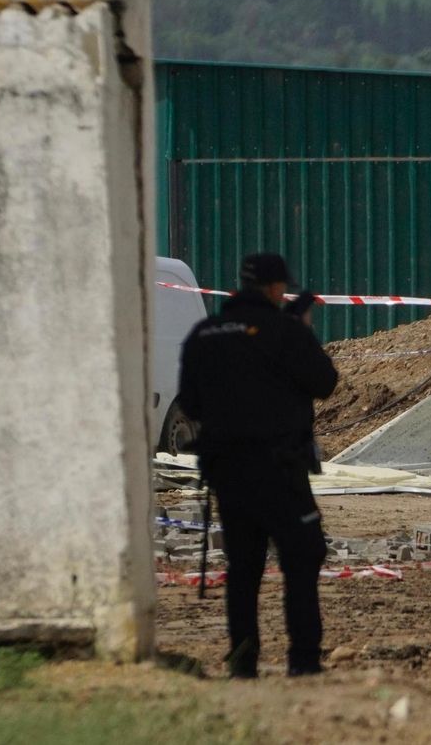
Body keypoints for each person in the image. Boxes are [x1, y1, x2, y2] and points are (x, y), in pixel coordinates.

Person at [177, 253, 339, 679]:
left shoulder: (204, 333)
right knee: (302, 560)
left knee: (243, 569)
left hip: (227, 472)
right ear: (274, 289)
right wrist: (301, 331)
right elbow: (324, 383)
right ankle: (303, 661)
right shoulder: (284, 331)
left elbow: (190, 403)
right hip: (280, 470)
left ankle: (243, 663)